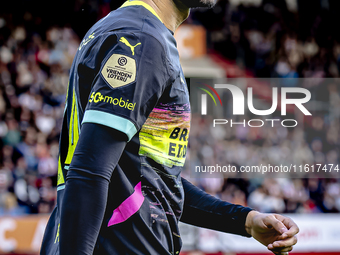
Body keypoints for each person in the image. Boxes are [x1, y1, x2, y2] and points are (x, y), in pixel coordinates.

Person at [40, 0, 299, 254]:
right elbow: (89, 171)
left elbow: (153, 182)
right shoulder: (142, 39)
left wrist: (244, 220)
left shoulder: (124, 29)